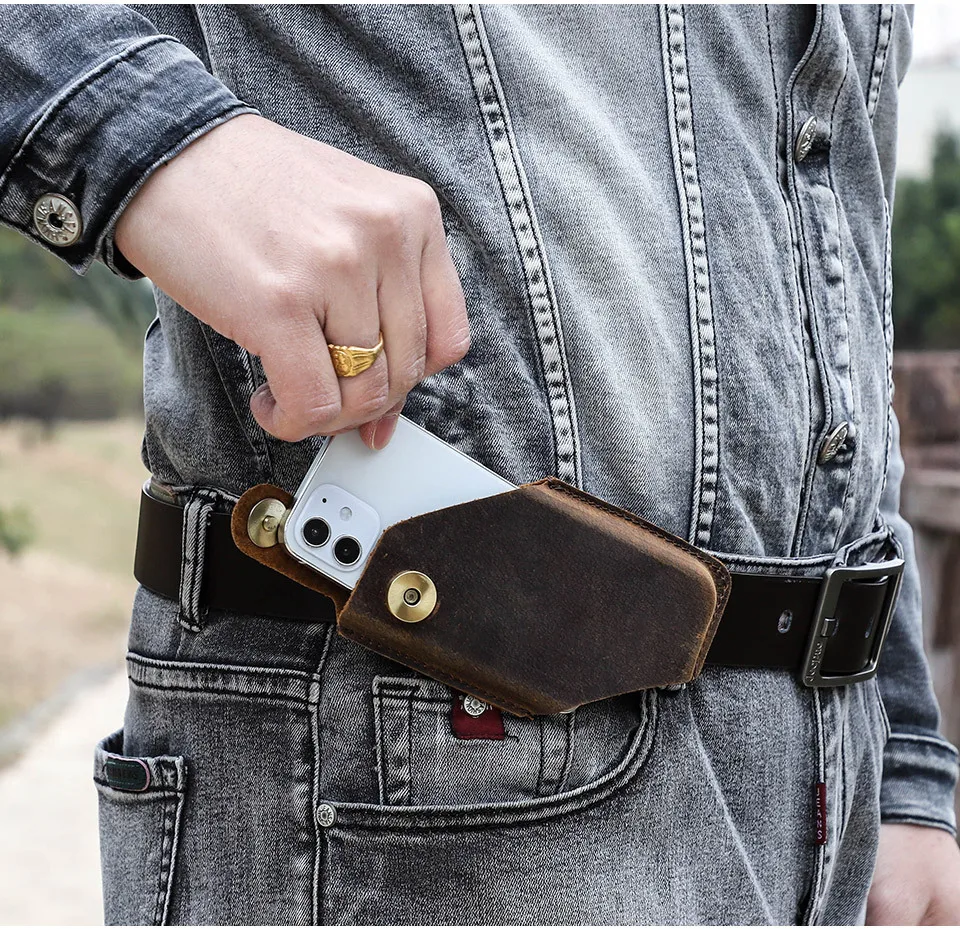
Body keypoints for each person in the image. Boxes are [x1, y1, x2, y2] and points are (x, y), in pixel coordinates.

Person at [3, 4, 959, 925]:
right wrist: (156, 140)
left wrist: (905, 745)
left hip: (833, 788)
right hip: (437, 763)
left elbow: (838, 278)